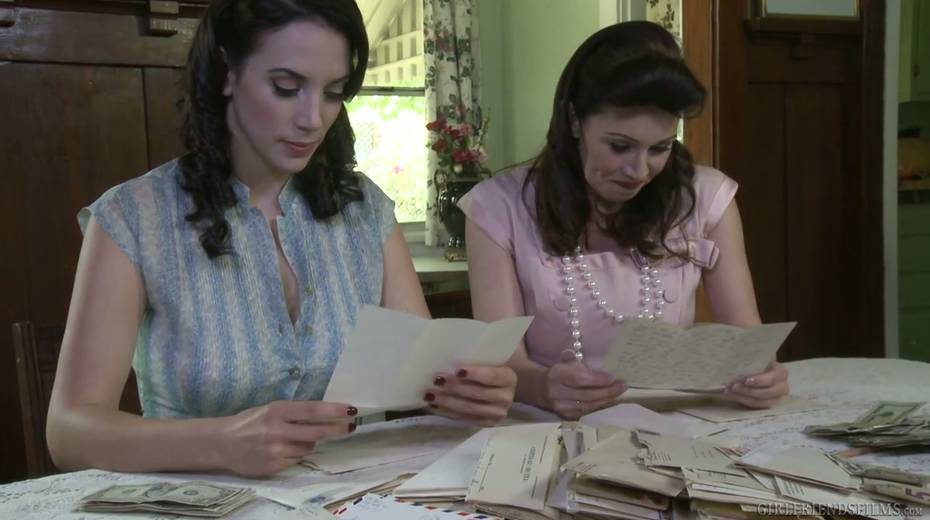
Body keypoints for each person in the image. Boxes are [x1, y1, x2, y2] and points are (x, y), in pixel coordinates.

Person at [47, 0, 516, 477]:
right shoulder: (133, 217)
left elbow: (422, 375)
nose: (313, 118)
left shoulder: (365, 209)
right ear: (227, 72)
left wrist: (466, 392)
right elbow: (69, 432)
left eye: (333, 93)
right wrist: (221, 442)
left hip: (355, 498)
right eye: (286, 88)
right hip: (199, 500)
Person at [459, 21, 788, 421]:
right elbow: (503, 366)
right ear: (574, 120)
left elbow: (748, 341)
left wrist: (762, 376)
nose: (639, 170)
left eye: (660, 148)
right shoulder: (498, 206)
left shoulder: (704, 196)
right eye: (619, 146)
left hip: (673, 424)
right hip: (545, 427)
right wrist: (544, 388)